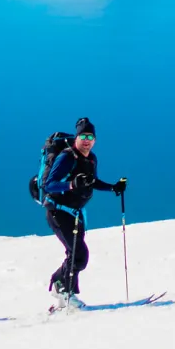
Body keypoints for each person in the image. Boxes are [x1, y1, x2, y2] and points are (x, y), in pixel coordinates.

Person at [41, 117, 127, 309]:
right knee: (78, 253)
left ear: (94, 140)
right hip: (58, 211)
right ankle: (65, 291)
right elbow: (49, 184)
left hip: (75, 213)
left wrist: (113, 187)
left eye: (90, 136)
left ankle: (61, 289)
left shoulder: (91, 159)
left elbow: (92, 181)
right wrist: (71, 184)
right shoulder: (66, 157)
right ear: (76, 138)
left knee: (77, 254)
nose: (87, 140)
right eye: (83, 136)